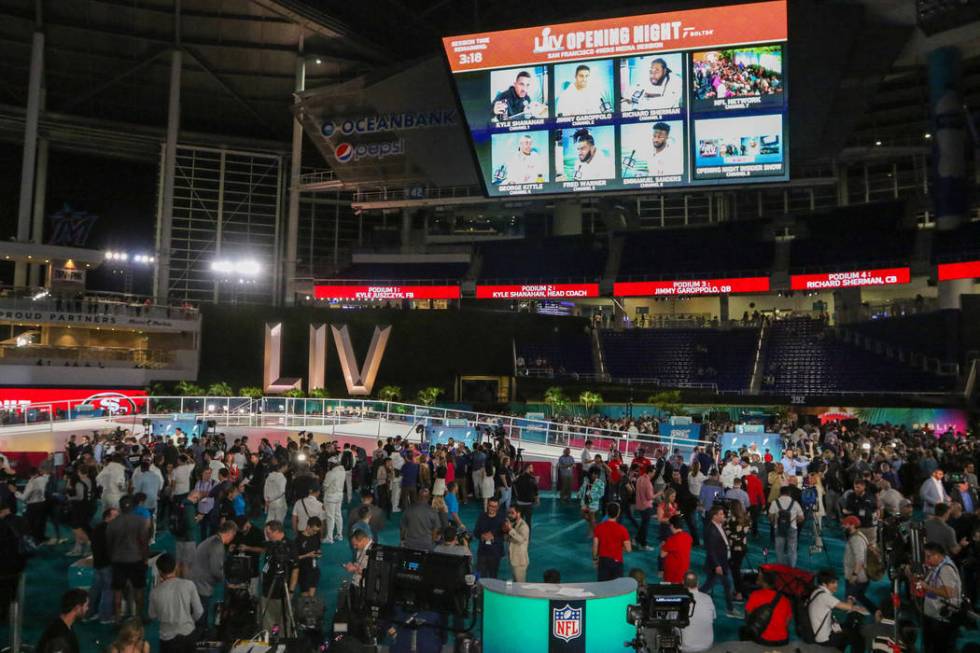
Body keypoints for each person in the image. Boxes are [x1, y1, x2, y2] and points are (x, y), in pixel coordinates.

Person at [107, 495, 150, 622]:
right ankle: (138, 616)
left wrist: (112, 558)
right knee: (139, 589)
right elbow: (144, 542)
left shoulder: (113, 523)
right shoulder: (140, 521)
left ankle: (118, 618)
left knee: (118, 591)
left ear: (120, 508)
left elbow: (109, 544)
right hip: (136, 559)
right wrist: (146, 558)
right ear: (133, 507)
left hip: (118, 560)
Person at [914, 542, 963, 653]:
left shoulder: (946, 569)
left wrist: (927, 587)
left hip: (942, 619)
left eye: (928, 556)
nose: (926, 560)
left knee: (939, 648)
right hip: (934, 616)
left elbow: (948, 593)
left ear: (937, 555)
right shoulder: (937, 567)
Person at [149, 553, 202, 653]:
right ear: (176, 567)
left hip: (167, 639)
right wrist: (189, 621)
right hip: (188, 635)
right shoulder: (189, 585)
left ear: (159, 571)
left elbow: (152, 615)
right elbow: (199, 611)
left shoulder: (155, 592)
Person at [191, 519, 237, 629]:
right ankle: (199, 641)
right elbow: (216, 570)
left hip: (197, 582)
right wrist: (226, 582)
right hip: (201, 585)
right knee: (201, 617)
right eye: (233, 535)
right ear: (230, 533)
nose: (233, 538)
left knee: (199, 615)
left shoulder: (212, 540)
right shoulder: (217, 545)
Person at [808, 569, 868, 652]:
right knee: (858, 639)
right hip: (825, 638)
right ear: (824, 584)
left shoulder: (817, 591)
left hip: (820, 632)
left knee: (847, 627)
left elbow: (841, 606)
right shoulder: (825, 597)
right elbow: (848, 607)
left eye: (836, 582)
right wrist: (850, 597)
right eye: (833, 583)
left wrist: (855, 607)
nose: (836, 585)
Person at [700, 505, 740, 618]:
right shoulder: (712, 530)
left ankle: (694, 598)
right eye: (721, 514)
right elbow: (711, 550)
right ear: (714, 516)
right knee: (725, 585)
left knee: (711, 585)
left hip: (721, 563)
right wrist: (717, 565)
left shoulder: (718, 526)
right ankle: (730, 609)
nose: (724, 516)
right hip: (718, 565)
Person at [84, 507, 117, 624]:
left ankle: (89, 613)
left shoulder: (97, 528)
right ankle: (105, 616)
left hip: (97, 563)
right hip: (107, 564)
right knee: (108, 590)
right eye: (115, 516)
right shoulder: (110, 530)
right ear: (107, 517)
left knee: (95, 589)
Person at [742, 570, 793, 646]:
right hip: (783, 640)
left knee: (743, 631)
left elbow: (747, 619)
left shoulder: (755, 595)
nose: (757, 576)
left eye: (759, 575)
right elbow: (787, 621)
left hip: (764, 641)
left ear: (763, 580)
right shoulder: (784, 599)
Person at [35, 589, 88, 653]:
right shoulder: (59, 635)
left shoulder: (65, 626)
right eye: (86, 605)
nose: (87, 609)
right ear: (77, 608)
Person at [842, 516, 876, 613]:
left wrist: (854, 575)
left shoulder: (856, 539)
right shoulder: (857, 535)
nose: (844, 527)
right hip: (857, 575)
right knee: (859, 596)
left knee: (850, 600)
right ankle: (875, 611)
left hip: (857, 576)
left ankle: (874, 612)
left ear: (852, 525)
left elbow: (860, 560)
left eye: (846, 524)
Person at [593, 502, 631, 581]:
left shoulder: (599, 528)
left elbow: (595, 546)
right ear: (618, 513)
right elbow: (628, 549)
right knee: (617, 587)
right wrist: (619, 548)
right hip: (617, 561)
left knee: (602, 586)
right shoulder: (622, 529)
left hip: (603, 561)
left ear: (607, 512)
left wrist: (595, 559)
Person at [768, 486, 804, 567]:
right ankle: (791, 568)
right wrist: (795, 521)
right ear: (789, 493)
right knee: (792, 550)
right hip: (792, 528)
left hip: (779, 528)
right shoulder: (795, 503)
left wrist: (774, 522)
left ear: (780, 493)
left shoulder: (775, 502)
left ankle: (781, 568)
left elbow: (770, 516)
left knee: (779, 550)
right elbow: (802, 517)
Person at [680, 571, 715, 653]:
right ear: (698, 583)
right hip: (707, 645)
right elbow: (712, 618)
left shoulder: (679, 600)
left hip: (686, 647)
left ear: (683, 583)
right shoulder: (708, 598)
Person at [474, 497, 506, 579]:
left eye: (494, 506)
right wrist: (482, 535)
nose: (492, 508)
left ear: (498, 507)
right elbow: (475, 532)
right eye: (490, 506)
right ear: (487, 505)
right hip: (482, 552)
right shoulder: (482, 516)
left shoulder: (502, 518)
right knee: (481, 577)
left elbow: (504, 535)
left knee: (493, 577)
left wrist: (493, 536)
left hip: (495, 553)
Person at [290, 516, 322, 597]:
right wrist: (307, 555)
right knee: (305, 597)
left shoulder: (316, 536)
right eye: (314, 530)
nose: (315, 533)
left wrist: (318, 553)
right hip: (303, 571)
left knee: (311, 596)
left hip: (314, 569)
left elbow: (318, 548)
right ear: (308, 527)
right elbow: (294, 558)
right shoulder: (298, 540)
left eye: (317, 531)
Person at [660, 515, 692, 584]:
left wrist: (663, 545)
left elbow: (662, 554)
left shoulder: (672, 539)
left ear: (672, 526)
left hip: (673, 571)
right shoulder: (688, 536)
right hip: (684, 568)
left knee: (668, 589)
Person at [503, 505, 530, 582]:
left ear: (518, 513)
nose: (509, 515)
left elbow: (521, 540)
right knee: (516, 583)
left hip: (520, 561)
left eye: (512, 513)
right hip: (514, 560)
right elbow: (509, 539)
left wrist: (510, 529)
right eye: (508, 513)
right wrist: (505, 532)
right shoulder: (513, 524)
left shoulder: (523, 526)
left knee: (520, 585)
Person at [322, 457, 345, 543]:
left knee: (330, 517)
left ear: (331, 464)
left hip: (331, 497)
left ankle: (329, 537)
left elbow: (325, 486)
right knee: (338, 515)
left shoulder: (330, 473)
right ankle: (339, 535)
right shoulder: (342, 472)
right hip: (339, 495)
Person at [634, 465, 655, 551]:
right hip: (646, 506)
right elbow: (650, 497)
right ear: (650, 472)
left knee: (643, 525)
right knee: (645, 526)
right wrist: (659, 494)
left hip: (639, 505)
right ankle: (643, 544)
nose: (654, 473)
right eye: (654, 472)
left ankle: (636, 540)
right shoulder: (648, 482)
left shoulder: (639, 479)